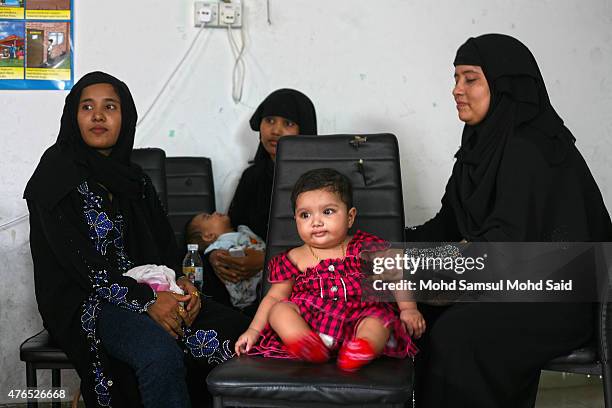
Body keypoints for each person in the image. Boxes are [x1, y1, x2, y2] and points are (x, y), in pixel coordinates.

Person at [407, 34, 612, 407]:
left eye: (470, 78)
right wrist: (391, 244)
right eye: (455, 78)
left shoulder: (530, 147)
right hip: (511, 279)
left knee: (459, 334)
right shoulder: (478, 144)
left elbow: (507, 243)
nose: (456, 90)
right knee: (411, 317)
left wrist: (425, 266)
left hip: (562, 296)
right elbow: (450, 223)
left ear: (504, 85)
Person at [24, 71, 249, 408]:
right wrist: (146, 302)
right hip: (86, 301)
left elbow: (165, 247)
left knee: (241, 332)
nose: (98, 115)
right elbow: (81, 264)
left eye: (110, 107)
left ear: (125, 117)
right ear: (73, 117)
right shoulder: (55, 174)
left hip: (152, 288)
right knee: (158, 353)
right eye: (87, 107)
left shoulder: (135, 181)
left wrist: (186, 286)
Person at [234, 168, 423, 371]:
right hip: (312, 325)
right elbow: (273, 298)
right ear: (295, 220)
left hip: (359, 317)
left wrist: (408, 309)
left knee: (378, 321)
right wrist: (253, 330)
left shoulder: (364, 247)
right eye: (305, 215)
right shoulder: (294, 257)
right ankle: (304, 343)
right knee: (279, 310)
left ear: (350, 217)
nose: (316, 222)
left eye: (328, 212)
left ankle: (362, 348)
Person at [206, 89, 317, 305]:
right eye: (270, 120)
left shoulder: (319, 181)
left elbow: (324, 243)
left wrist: (267, 261)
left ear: (304, 131)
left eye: (288, 123)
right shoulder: (252, 177)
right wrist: (217, 256)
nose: (276, 130)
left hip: (298, 275)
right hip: (249, 273)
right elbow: (233, 227)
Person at [185, 212, 265, 311]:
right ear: (208, 236)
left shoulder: (243, 231)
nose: (215, 213)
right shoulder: (221, 246)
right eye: (208, 217)